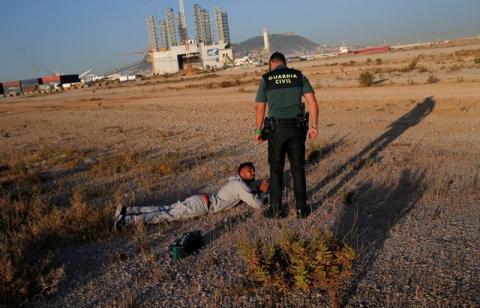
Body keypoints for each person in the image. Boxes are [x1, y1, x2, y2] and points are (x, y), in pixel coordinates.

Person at [255, 52, 319, 218]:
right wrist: (314, 126)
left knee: (276, 169)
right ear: (285, 63)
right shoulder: (298, 75)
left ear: (272, 64)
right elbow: (312, 101)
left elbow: (260, 107)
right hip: (297, 128)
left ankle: (276, 210)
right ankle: (301, 209)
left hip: (276, 130)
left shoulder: (266, 78)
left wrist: (258, 130)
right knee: (298, 168)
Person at [114, 162, 268, 230]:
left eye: (253, 170)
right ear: (240, 172)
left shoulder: (238, 183)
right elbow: (257, 204)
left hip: (201, 200)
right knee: (165, 215)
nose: (253, 172)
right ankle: (125, 220)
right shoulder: (239, 186)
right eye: (249, 170)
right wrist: (262, 191)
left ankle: (127, 210)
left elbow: (249, 190)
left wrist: (257, 187)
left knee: (165, 209)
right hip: (202, 205)